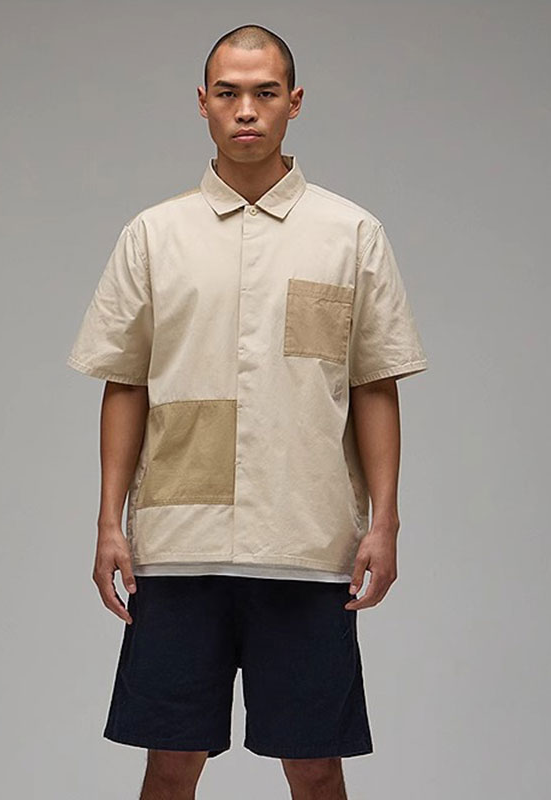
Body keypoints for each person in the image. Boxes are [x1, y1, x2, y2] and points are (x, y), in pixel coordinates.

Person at [66, 23, 429, 800]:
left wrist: (386, 523)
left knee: (316, 767)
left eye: (265, 93)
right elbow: (125, 382)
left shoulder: (351, 234)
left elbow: (374, 383)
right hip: (177, 546)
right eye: (228, 93)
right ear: (202, 102)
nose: (246, 110)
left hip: (309, 543)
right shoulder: (154, 236)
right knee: (169, 765)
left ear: (294, 103)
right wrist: (107, 524)